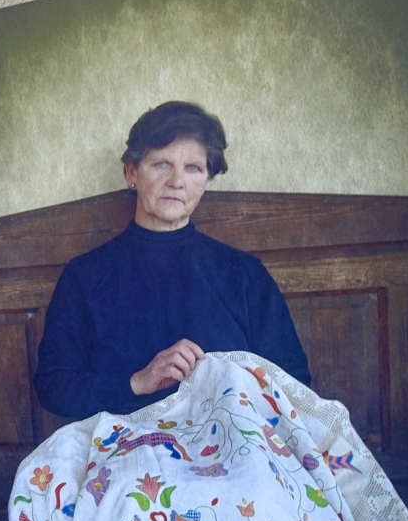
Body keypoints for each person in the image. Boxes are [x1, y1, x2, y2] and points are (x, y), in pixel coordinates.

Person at [33, 101, 311, 420]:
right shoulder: (85, 276)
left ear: (205, 180)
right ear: (131, 173)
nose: (177, 181)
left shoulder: (245, 274)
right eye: (162, 164)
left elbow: (295, 382)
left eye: (193, 168)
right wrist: (137, 382)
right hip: (126, 443)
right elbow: (53, 385)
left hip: (234, 440)